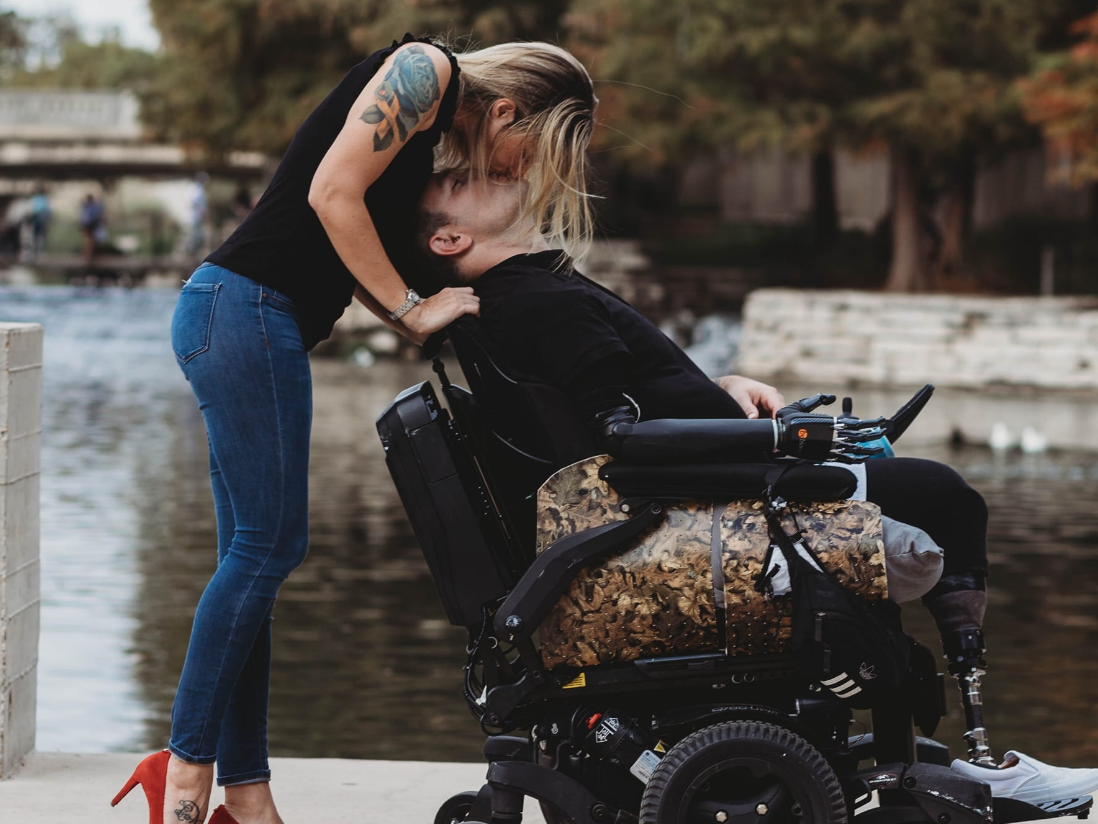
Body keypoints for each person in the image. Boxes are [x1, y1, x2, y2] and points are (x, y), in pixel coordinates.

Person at [412, 172, 1098, 805]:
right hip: (704, 490)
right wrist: (787, 443)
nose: (488, 168)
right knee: (946, 496)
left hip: (706, 469)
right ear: (450, 238)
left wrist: (720, 393)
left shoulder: (528, 291)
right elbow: (618, 436)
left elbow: (621, 403)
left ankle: (953, 749)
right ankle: (981, 752)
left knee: (915, 485)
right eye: (459, 180)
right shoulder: (539, 300)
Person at [112, 35, 598, 824]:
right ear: (507, 108)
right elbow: (331, 194)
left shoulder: (425, 130)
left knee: (251, 565)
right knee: (269, 550)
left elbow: (354, 233)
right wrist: (412, 313)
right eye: (527, 147)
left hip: (244, 319)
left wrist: (420, 303)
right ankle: (186, 763)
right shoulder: (424, 69)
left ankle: (248, 795)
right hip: (245, 311)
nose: (515, 168)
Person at [79, 193, 104, 267]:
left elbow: (84, 217)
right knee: (90, 240)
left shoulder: (88, 206)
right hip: (90, 226)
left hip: (90, 225)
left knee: (89, 240)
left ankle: (89, 255)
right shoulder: (93, 206)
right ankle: (89, 255)